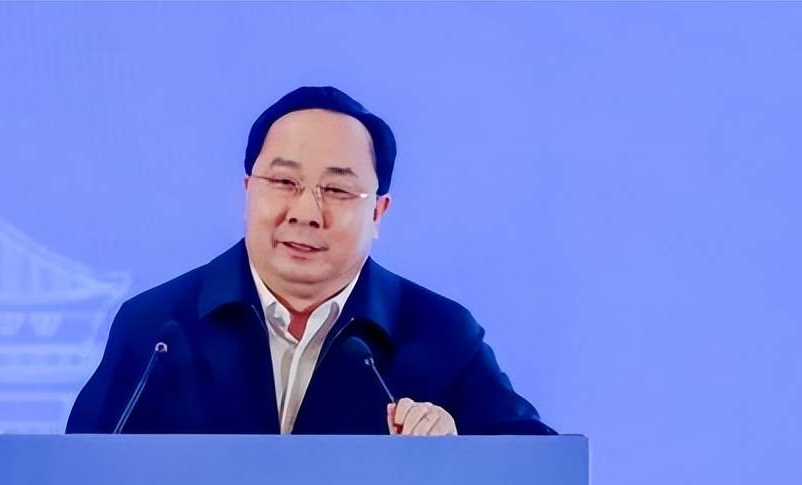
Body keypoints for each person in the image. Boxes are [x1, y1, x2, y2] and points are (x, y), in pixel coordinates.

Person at [65, 86, 554, 436]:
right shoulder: (156, 327)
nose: (306, 213)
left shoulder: (440, 333)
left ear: (378, 212)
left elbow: (536, 477)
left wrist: (461, 451)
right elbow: (76, 484)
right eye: (284, 183)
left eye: (337, 190)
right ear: (248, 191)